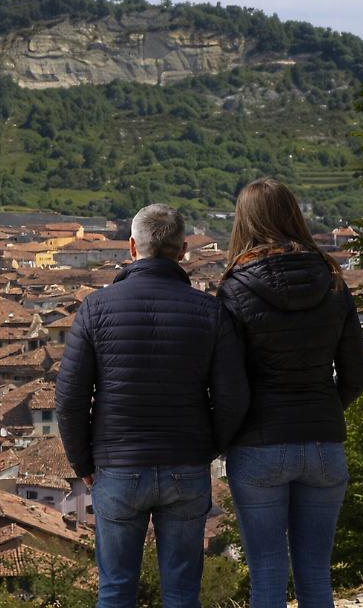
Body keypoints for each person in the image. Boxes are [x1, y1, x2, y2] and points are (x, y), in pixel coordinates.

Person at [57, 204, 249, 608]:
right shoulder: (210, 311)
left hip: (118, 465)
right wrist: (209, 447)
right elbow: (232, 396)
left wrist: (83, 465)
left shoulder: (95, 309)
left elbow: (71, 400)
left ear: (132, 247)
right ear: (182, 251)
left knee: (115, 589)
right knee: (181, 593)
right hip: (185, 464)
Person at [218, 178, 363, 608]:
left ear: (243, 222)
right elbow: (356, 375)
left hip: (259, 445)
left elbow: (229, 384)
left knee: (266, 573)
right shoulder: (334, 281)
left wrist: (227, 436)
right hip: (324, 442)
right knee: (316, 574)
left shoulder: (233, 288)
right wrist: (323, 410)